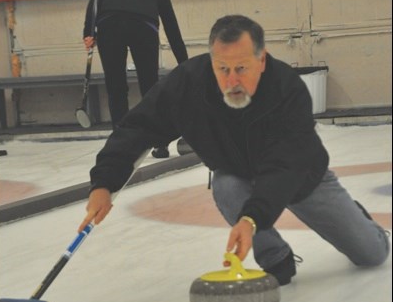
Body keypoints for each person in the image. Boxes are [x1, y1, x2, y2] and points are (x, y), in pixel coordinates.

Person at [78, 15, 390, 285]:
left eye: (241, 68)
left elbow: (285, 166)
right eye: (221, 68)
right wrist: (104, 182)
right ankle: (277, 260)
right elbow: (138, 128)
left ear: (262, 59)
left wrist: (252, 218)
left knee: (371, 254)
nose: (231, 80)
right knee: (226, 186)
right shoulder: (187, 84)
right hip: (239, 175)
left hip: (301, 178)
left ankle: (360, 221)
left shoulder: (287, 89)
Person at [83, 0, 188, 158]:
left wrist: (88, 32)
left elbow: (94, 2)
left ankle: (121, 144)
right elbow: (171, 24)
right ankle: (159, 142)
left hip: (108, 24)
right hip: (143, 26)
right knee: (149, 86)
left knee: (116, 87)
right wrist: (183, 62)